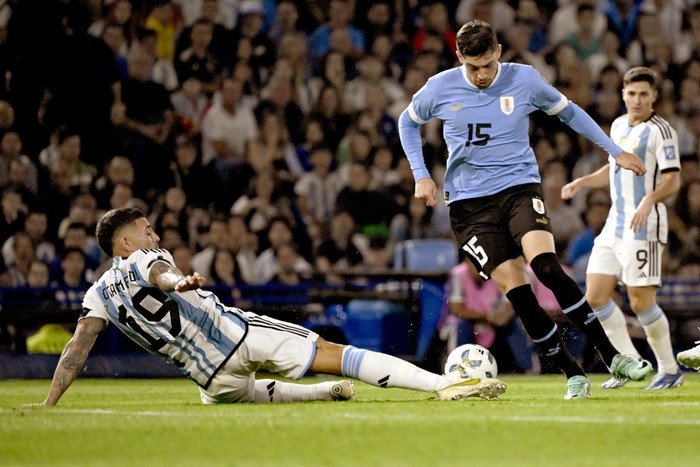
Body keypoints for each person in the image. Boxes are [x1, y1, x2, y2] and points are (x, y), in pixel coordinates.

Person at [398, 19, 651, 400]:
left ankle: (613, 354)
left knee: (546, 266)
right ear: (459, 59)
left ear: (498, 51)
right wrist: (421, 175)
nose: (481, 75)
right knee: (518, 293)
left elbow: (571, 113)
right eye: (472, 68)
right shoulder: (440, 87)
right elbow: (407, 122)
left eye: (487, 65)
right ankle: (571, 372)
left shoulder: (525, 80)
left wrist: (616, 151)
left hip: (518, 188)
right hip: (469, 207)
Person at [40, 207, 506, 406]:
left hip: (207, 377)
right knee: (335, 353)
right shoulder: (144, 258)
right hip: (234, 335)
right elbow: (160, 274)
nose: (155, 237)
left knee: (241, 393)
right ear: (126, 242)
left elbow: (77, 349)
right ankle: (442, 384)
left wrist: (50, 401)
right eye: (146, 231)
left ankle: (321, 394)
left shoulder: (97, 293)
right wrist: (179, 280)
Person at [561, 67, 683, 390]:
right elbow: (614, 166)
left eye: (644, 93)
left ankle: (669, 368)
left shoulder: (662, 131)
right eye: (631, 93)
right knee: (596, 296)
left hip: (645, 223)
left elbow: (673, 179)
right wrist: (582, 183)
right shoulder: (617, 126)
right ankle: (629, 365)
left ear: (654, 96)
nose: (637, 99)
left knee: (641, 301)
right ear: (623, 94)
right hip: (615, 224)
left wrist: (649, 200)